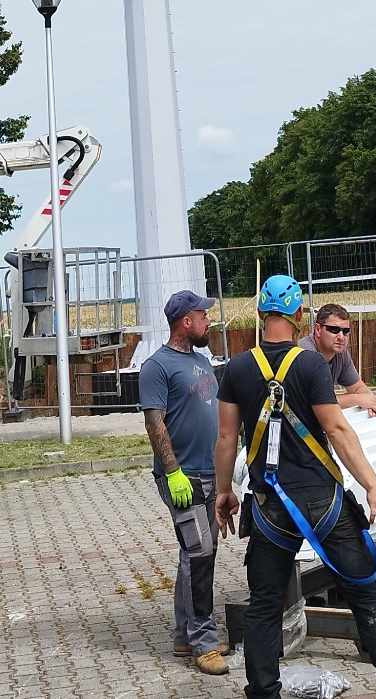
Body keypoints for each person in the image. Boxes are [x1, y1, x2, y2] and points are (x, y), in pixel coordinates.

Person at [215, 275, 376, 699]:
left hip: (270, 508)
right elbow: (338, 430)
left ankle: (264, 693)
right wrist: (374, 486)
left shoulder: (235, 367)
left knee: (266, 608)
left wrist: (223, 493)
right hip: (324, 502)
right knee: (367, 597)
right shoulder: (309, 365)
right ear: (301, 316)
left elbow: (225, 439)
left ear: (258, 313)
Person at [140, 288, 227, 674]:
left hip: (210, 476)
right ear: (186, 322)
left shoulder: (202, 361)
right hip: (183, 479)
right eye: (203, 315)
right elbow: (154, 422)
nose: (209, 320)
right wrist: (173, 471)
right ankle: (204, 643)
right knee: (200, 555)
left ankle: (183, 634)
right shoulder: (156, 367)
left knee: (194, 556)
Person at [300, 302, 376, 416]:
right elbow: (314, 402)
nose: (341, 337)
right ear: (317, 330)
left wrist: (372, 404)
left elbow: (358, 388)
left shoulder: (340, 353)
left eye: (345, 331)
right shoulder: (305, 355)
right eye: (334, 330)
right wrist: (357, 399)